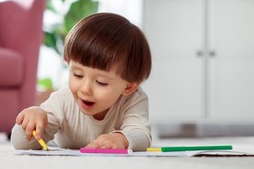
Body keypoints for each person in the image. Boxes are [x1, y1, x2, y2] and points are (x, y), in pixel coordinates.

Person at [11, 12, 152, 151]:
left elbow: (141, 135)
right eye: (77, 74)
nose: (85, 89)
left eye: (101, 82)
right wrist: (32, 120)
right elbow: (20, 143)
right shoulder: (62, 100)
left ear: (129, 86)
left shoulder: (133, 99)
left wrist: (122, 138)